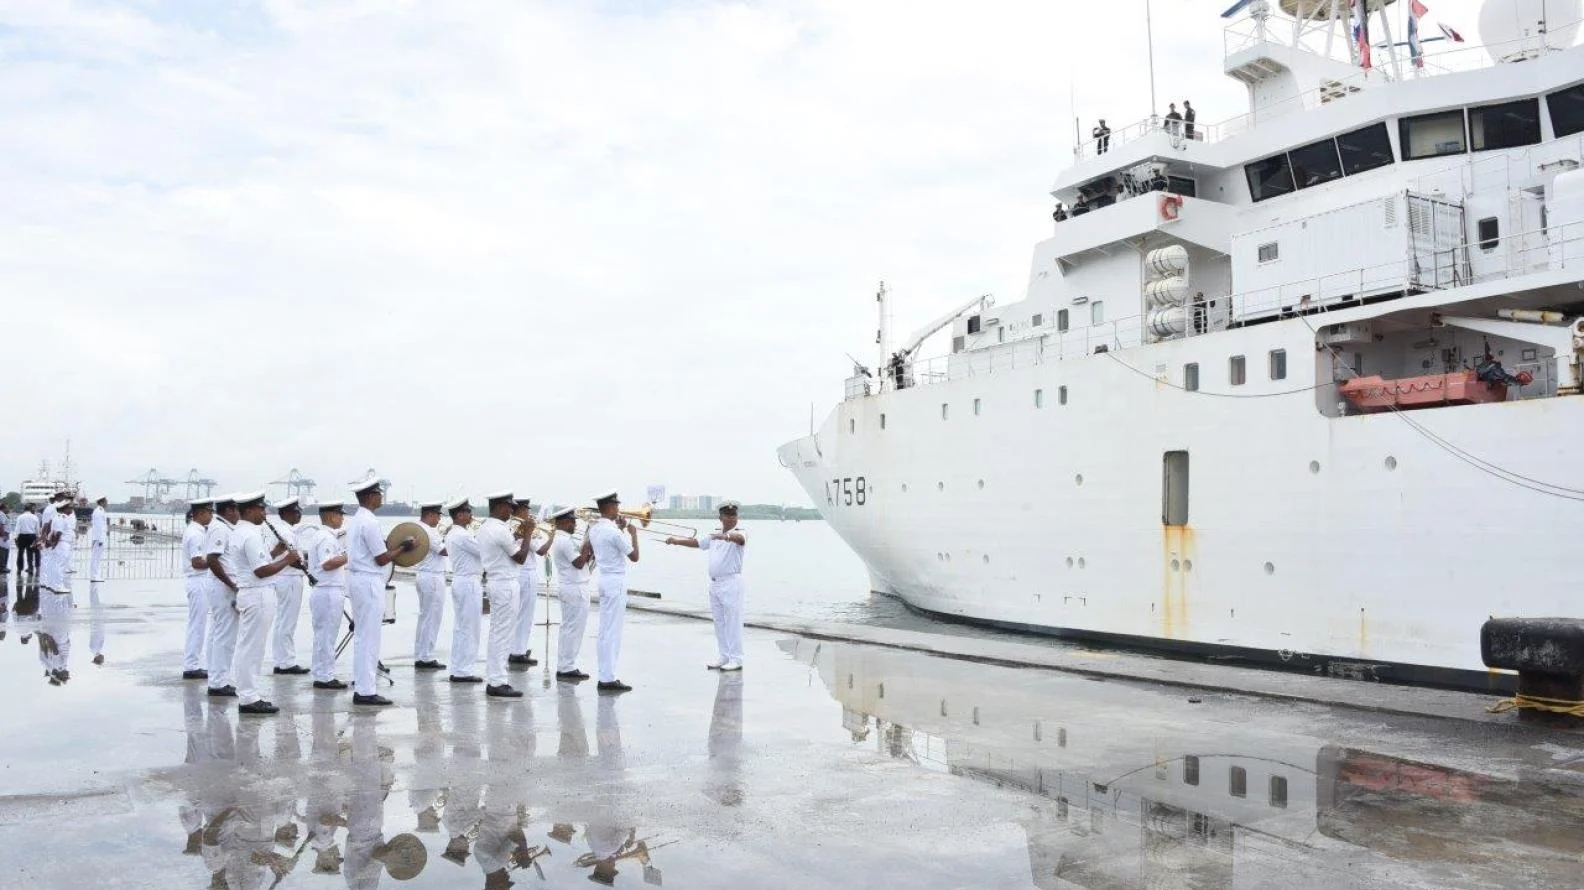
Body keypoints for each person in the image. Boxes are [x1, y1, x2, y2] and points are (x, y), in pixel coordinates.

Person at [223, 491, 299, 716]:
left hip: (253, 593)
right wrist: (288, 560)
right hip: (257, 594)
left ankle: (249, 694)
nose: (265, 513)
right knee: (251, 648)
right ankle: (248, 697)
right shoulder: (250, 535)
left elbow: (259, 561)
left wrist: (277, 552)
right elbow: (261, 570)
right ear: (249, 510)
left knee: (250, 646)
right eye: (261, 509)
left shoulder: (242, 532)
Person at [346, 476, 415, 707]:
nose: (381, 496)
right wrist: (404, 547)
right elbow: (382, 558)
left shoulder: (357, 520)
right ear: (369, 496)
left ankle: (363, 686)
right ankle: (365, 691)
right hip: (368, 581)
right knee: (369, 637)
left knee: (363, 637)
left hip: (359, 580)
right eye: (378, 493)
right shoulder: (369, 522)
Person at [664, 501, 747, 671]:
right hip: (715, 583)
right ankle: (724, 655)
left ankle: (736, 659)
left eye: (734, 515)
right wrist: (676, 541)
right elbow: (698, 543)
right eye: (728, 515)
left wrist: (727, 537)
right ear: (720, 517)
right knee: (719, 622)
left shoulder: (740, 532)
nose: (732, 518)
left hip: (731, 582)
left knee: (733, 621)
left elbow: (740, 540)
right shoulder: (714, 534)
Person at [475, 491, 533, 698]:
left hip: (497, 582)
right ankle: (497, 681)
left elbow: (506, 547)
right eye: (509, 507)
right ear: (500, 507)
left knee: (498, 632)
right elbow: (520, 558)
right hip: (505, 585)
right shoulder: (499, 529)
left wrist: (519, 535)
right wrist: (528, 534)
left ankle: (496, 678)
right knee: (502, 634)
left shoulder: (487, 527)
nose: (511, 511)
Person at [586, 491, 639, 693]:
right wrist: (633, 534)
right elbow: (634, 556)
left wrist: (621, 529)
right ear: (609, 507)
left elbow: (611, 547)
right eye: (616, 505)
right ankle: (607, 678)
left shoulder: (595, 529)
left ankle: (605, 674)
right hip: (615, 581)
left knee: (605, 630)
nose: (619, 509)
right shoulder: (614, 532)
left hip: (604, 579)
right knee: (612, 631)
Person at [307, 498, 351, 690]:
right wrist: (349, 556)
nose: (342, 518)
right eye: (340, 515)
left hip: (326, 590)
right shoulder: (325, 537)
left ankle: (322, 673)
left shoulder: (323, 535)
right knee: (326, 635)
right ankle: (324, 677)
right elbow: (327, 563)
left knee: (324, 635)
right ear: (332, 516)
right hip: (327, 591)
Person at [266, 497, 310, 676]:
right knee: (287, 622)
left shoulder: (284, 530)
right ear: (286, 513)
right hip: (289, 578)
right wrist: (306, 567)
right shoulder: (286, 532)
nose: (299, 514)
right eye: (296, 511)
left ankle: (281, 660)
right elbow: (292, 560)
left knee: (282, 621)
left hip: (283, 578)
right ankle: (286, 662)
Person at [549, 507, 592, 681]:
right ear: (564, 522)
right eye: (572, 521)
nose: (575, 524)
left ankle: (566, 665)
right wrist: (587, 544)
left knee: (570, 628)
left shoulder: (564, 539)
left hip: (572, 586)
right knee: (573, 629)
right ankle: (566, 667)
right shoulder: (564, 541)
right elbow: (579, 563)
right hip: (574, 588)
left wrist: (587, 551)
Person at [444, 497, 484, 685]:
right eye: (468, 512)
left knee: (462, 627)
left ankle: (459, 668)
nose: (471, 515)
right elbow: (484, 552)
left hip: (463, 581)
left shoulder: (455, 533)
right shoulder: (462, 535)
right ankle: (463, 671)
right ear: (459, 515)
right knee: (470, 628)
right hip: (468, 582)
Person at [204, 495, 240, 698]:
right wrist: (231, 584)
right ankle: (218, 683)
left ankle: (216, 678)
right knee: (225, 635)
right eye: (237, 510)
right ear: (229, 511)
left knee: (218, 634)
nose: (238, 515)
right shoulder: (220, 528)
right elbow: (212, 559)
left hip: (221, 585)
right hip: (223, 587)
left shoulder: (223, 528)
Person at [509, 497, 550, 669]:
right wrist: (552, 536)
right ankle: (517, 652)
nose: (528, 513)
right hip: (526, 574)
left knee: (521, 614)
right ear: (519, 510)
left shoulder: (515, 526)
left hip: (521, 573)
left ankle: (517, 648)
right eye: (526, 509)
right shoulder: (521, 527)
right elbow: (540, 550)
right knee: (525, 615)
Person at [180, 498, 215, 680]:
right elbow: (197, 563)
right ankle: (191, 666)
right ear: (200, 513)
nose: (211, 516)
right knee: (197, 625)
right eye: (209, 512)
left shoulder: (198, 530)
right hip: (198, 580)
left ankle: (193, 663)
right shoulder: (195, 534)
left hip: (201, 580)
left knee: (198, 624)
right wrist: (216, 561)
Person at [412, 500, 448, 672]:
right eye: (438, 516)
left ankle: (421, 654)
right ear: (430, 515)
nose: (439, 519)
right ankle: (425, 657)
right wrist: (453, 538)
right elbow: (444, 551)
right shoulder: (428, 531)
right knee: (432, 618)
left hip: (425, 575)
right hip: (432, 577)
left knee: (425, 617)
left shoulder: (420, 528)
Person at [14, 504, 39, 576]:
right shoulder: (35, 517)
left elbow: (17, 528)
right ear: (30, 509)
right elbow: (37, 529)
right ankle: (30, 568)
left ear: (24, 509)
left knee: (20, 553)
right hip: (32, 536)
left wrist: (16, 538)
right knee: (30, 552)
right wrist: (37, 537)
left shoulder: (20, 517)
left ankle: (19, 569)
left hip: (22, 536)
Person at [88, 496, 109, 582]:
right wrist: (100, 540)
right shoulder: (99, 511)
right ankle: (94, 576)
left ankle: (95, 575)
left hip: (98, 538)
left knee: (97, 558)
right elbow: (99, 527)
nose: (107, 503)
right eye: (106, 501)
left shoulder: (100, 511)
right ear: (102, 502)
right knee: (96, 558)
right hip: (98, 539)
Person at [0, 504, 11, 576]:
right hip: (3, 536)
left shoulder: (3, 514)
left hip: (4, 535)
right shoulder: (2, 514)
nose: (8, 509)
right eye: (7, 508)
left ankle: (3, 566)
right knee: (3, 551)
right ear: (3, 508)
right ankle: (2, 567)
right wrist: (4, 535)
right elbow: (1, 525)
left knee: (4, 550)